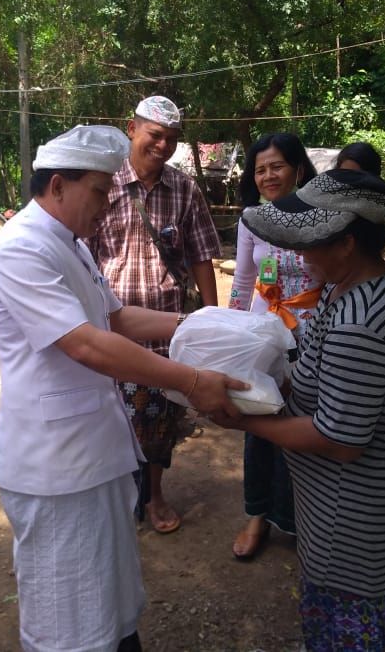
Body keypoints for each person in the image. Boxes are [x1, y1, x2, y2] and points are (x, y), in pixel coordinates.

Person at [0, 124, 244, 652]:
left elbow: (116, 318)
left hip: (90, 454)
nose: (107, 204)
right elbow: (88, 344)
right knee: (68, 618)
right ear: (58, 186)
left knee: (106, 602)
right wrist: (192, 380)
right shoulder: (20, 250)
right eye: (100, 192)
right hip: (55, 469)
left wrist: (194, 325)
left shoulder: (69, 244)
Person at [212, 168, 385, 652]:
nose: (300, 254)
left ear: (348, 243)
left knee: (349, 625)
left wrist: (244, 420)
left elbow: (340, 441)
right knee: (372, 616)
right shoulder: (358, 284)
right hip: (359, 507)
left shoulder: (359, 324)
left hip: (355, 518)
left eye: (309, 243)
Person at [89, 96, 221, 534]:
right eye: (155, 135)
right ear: (132, 128)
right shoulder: (101, 185)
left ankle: (154, 494)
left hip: (167, 326)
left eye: (171, 140)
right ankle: (114, 495)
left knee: (160, 418)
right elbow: (81, 254)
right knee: (108, 416)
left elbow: (202, 255)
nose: (163, 146)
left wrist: (211, 316)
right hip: (109, 327)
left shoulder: (184, 189)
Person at [227, 133, 322, 560]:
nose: (267, 175)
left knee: (307, 425)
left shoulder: (321, 215)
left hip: (315, 335)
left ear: (297, 169)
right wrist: (232, 326)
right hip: (265, 336)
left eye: (276, 166)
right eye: (260, 168)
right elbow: (245, 281)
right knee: (261, 419)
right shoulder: (251, 220)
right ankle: (257, 516)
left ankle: (303, 519)